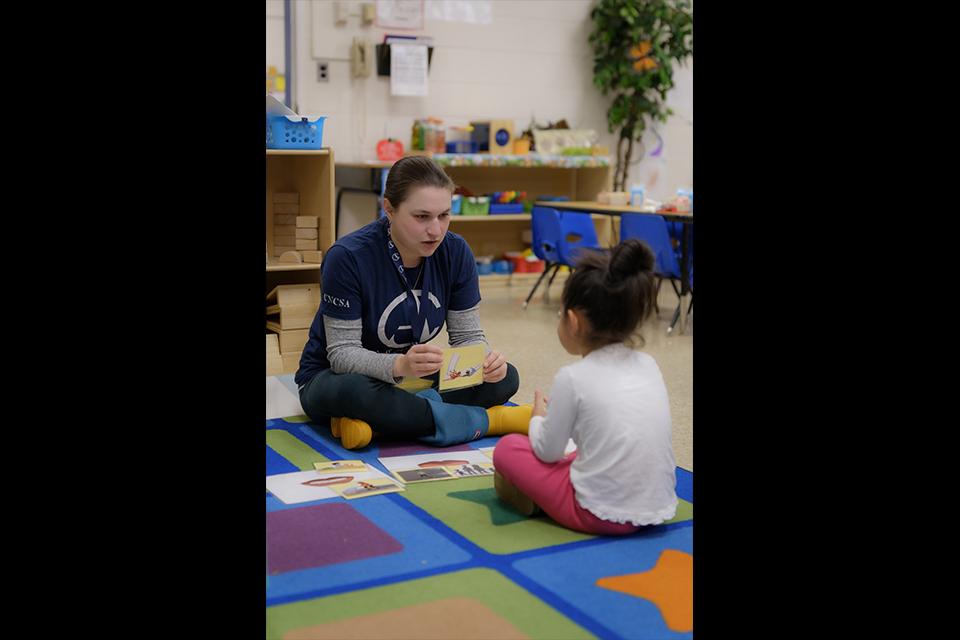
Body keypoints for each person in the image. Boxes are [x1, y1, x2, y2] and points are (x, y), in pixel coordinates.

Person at [295, 156, 531, 449]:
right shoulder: (347, 257)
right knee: (356, 392)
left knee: (506, 379)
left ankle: (381, 423)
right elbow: (342, 355)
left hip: (411, 380)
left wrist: (484, 361)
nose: (436, 230)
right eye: (422, 217)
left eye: (444, 215)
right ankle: (491, 422)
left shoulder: (456, 252)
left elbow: (467, 336)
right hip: (338, 378)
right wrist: (400, 364)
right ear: (389, 209)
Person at [493, 239, 678, 535]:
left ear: (573, 321)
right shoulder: (648, 365)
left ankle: (537, 499)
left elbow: (548, 452)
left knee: (507, 449)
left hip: (597, 513)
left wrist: (537, 419)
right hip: (657, 507)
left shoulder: (573, 377)